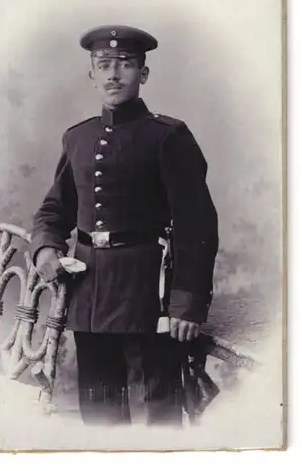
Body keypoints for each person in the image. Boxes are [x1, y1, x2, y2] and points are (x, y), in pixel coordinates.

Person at [29, 25, 219, 427]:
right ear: (92, 75)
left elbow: (196, 224)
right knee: (99, 408)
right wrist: (46, 247)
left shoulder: (168, 137)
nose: (114, 74)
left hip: (150, 294)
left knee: (161, 408)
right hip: (89, 293)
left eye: (125, 64)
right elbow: (54, 209)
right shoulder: (78, 139)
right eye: (104, 65)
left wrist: (187, 303)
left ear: (143, 75)